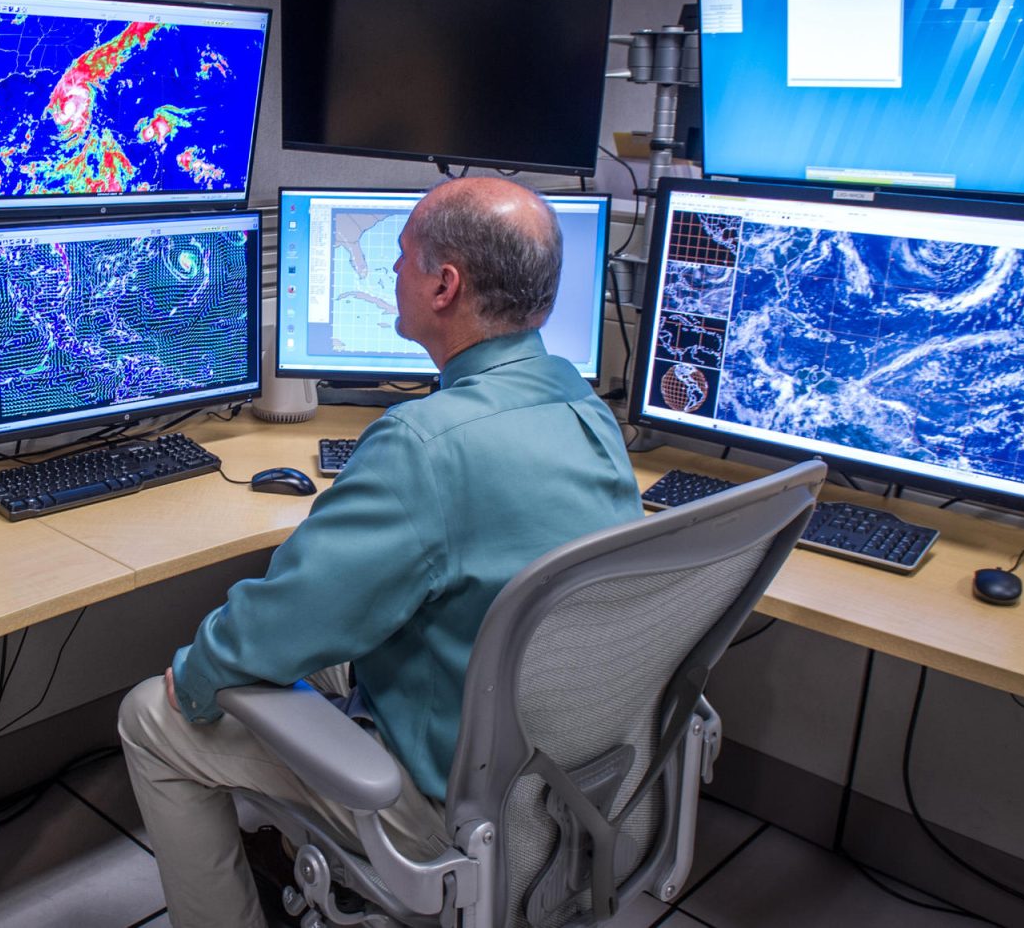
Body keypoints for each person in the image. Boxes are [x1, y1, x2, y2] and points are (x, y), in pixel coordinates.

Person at [118, 176, 642, 927]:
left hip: (453, 812)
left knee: (153, 714)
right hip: (563, 787)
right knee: (326, 646)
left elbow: (274, 626)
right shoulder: (587, 413)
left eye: (400, 256)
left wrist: (194, 680)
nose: (391, 271)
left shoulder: (423, 447)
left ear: (443, 284)